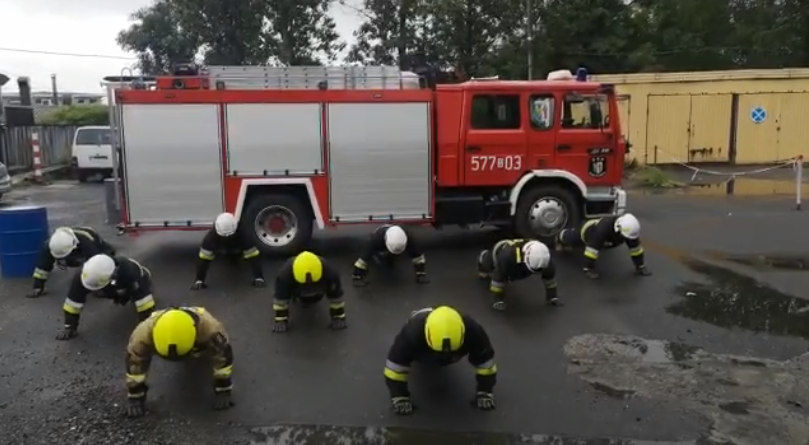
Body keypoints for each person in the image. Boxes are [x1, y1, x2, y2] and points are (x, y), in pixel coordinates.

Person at [383, 306, 497, 415]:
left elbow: (486, 364)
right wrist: (399, 396)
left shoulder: (473, 330)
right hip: (422, 340)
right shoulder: (411, 332)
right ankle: (421, 312)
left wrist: (485, 392)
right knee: (405, 353)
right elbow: (395, 367)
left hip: (448, 337)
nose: (445, 356)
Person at [124, 306, 235, 417]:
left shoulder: (211, 330)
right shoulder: (141, 336)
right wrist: (135, 394)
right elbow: (135, 364)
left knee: (213, 353)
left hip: (199, 337)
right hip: (166, 328)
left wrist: (223, 388)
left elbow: (223, 358)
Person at [56, 254, 156, 341]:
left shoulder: (129, 272)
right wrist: (69, 327)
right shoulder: (83, 277)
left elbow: (144, 303)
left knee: (140, 301)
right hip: (111, 285)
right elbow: (72, 304)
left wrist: (146, 330)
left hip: (133, 281)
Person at [28, 226, 116, 298]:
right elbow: (42, 268)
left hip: (95, 242)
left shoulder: (87, 242)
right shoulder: (50, 246)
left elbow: (97, 264)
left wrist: (102, 287)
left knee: (106, 262)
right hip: (75, 245)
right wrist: (38, 286)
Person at [556, 213, 651, 279]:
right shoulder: (602, 230)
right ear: (618, 229)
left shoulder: (629, 231)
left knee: (600, 247)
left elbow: (636, 249)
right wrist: (589, 269)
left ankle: (639, 267)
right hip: (587, 232)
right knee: (571, 239)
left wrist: (640, 266)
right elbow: (591, 251)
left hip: (607, 240)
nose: (629, 239)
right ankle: (559, 237)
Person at [272, 251, 346, 333]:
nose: (308, 290)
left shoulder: (330, 272)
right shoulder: (284, 275)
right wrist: (281, 319)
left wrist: (338, 317)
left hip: (318, 291)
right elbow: (281, 298)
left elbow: (336, 296)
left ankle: (313, 292)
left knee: (317, 296)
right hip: (297, 291)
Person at [477, 238, 561, 310]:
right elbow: (498, 277)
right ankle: (483, 257)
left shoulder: (544, 258)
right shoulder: (507, 257)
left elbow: (549, 278)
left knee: (546, 270)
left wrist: (552, 296)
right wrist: (497, 299)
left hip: (521, 258)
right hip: (501, 250)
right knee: (491, 265)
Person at [191, 212, 265, 290]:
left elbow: (253, 256)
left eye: (230, 235)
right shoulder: (210, 239)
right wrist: (199, 280)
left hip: (238, 249)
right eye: (224, 236)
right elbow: (204, 259)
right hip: (223, 250)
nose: (227, 238)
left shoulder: (244, 234)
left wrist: (258, 277)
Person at [352, 224, 428, 287]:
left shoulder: (409, 238)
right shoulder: (376, 239)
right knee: (374, 258)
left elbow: (418, 257)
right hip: (381, 245)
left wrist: (421, 274)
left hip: (391, 242)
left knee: (391, 262)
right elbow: (362, 260)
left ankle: (390, 259)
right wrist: (357, 277)